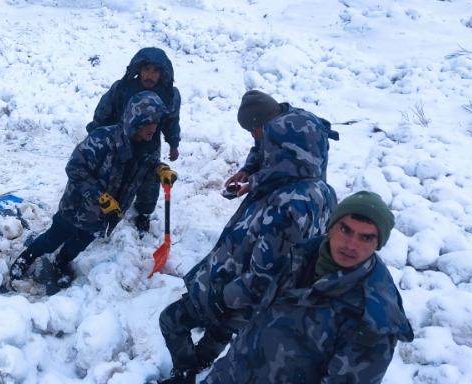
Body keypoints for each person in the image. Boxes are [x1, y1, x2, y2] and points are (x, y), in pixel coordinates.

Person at [158, 90, 338, 383]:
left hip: (240, 294)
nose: (258, 141)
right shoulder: (318, 180)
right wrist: (251, 177)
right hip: (257, 295)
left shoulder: (287, 208)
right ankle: (200, 361)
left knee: (172, 320)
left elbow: (262, 279)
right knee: (221, 329)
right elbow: (274, 160)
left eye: (261, 136)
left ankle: (184, 373)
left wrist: (220, 299)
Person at [203, 191, 414, 383]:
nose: (351, 245)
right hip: (232, 371)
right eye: (345, 229)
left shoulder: (373, 319)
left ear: (378, 244)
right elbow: (261, 287)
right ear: (331, 227)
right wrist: (221, 298)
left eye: (366, 237)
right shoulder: (301, 253)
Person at [8, 91, 177, 295]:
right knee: (53, 238)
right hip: (76, 208)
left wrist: (160, 169)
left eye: (156, 122)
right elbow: (74, 168)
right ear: (135, 120)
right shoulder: (103, 139)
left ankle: (61, 261)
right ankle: (26, 258)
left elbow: (146, 165)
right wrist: (99, 196)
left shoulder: (148, 146)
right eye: (148, 122)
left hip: (105, 215)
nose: (153, 127)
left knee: (80, 243)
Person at [86, 47, 181, 233]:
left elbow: (172, 120)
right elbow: (103, 112)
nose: (150, 75)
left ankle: (144, 213)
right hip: (119, 142)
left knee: (149, 181)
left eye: (155, 71)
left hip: (149, 143)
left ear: (163, 73)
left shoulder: (169, 94)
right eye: (146, 69)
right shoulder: (122, 88)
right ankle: (104, 209)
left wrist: (173, 142)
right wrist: (94, 135)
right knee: (113, 178)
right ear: (138, 69)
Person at [225, 90, 338, 196]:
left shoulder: (298, 128)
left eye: (253, 130)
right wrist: (247, 170)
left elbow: (297, 167)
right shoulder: (269, 122)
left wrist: (253, 182)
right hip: (287, 191)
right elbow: (261, 150)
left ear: (261, 121)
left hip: (308, 198)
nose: (253, 135)